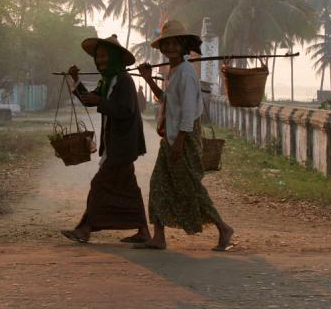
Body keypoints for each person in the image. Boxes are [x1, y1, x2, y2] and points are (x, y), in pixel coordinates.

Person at [136, 20, 235, 251]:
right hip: (170, 137)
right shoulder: (175, 71)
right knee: (159, 184)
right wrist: (148, 79)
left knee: (190, 186)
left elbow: (189, 111)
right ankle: (158, 236)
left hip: (184, 138)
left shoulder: (187, 73)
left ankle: (223, 227)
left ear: (183, 46)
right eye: (166, 44)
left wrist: (179, 141)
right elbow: (166, 101)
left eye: (174, 43)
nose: (170, 48)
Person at [60, 34, 151, 244]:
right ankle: (143, 231)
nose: (100, 61)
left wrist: (100, 100)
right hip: (115, 145)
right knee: (128, 189)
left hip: (123, 145)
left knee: (99, 184)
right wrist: (76, 80)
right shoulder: (107, 80)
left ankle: (85, 228)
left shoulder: (124, 81)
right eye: (97, 57)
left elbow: (126, 110)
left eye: (104, 57)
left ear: (114, 58)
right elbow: (89, 100)